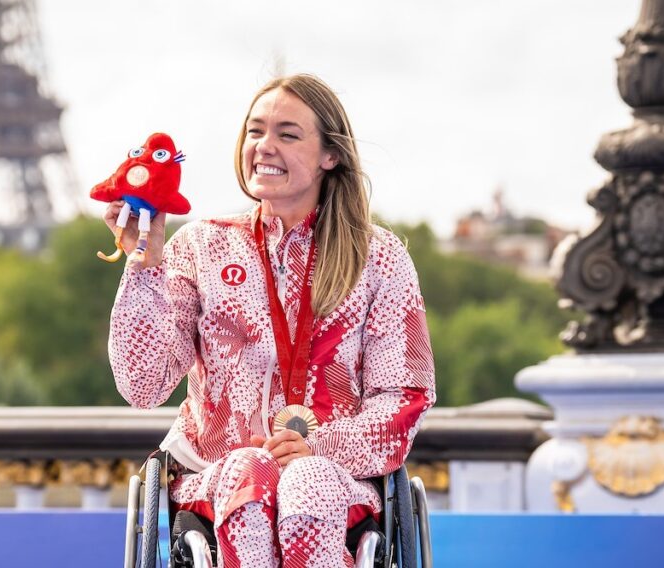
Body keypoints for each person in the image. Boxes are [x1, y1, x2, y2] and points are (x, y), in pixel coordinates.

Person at [105, 74, 435, 568]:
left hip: (337, 483)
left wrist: (317, 448)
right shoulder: (200, 247)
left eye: (287, 133)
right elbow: (142, 386)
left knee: (307, 481)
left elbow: (406, 395)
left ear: (331, 155)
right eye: (256, 131)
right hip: (216, 477)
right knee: (250, 470)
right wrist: (145, 265)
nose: (265, 146)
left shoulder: (379, 258)